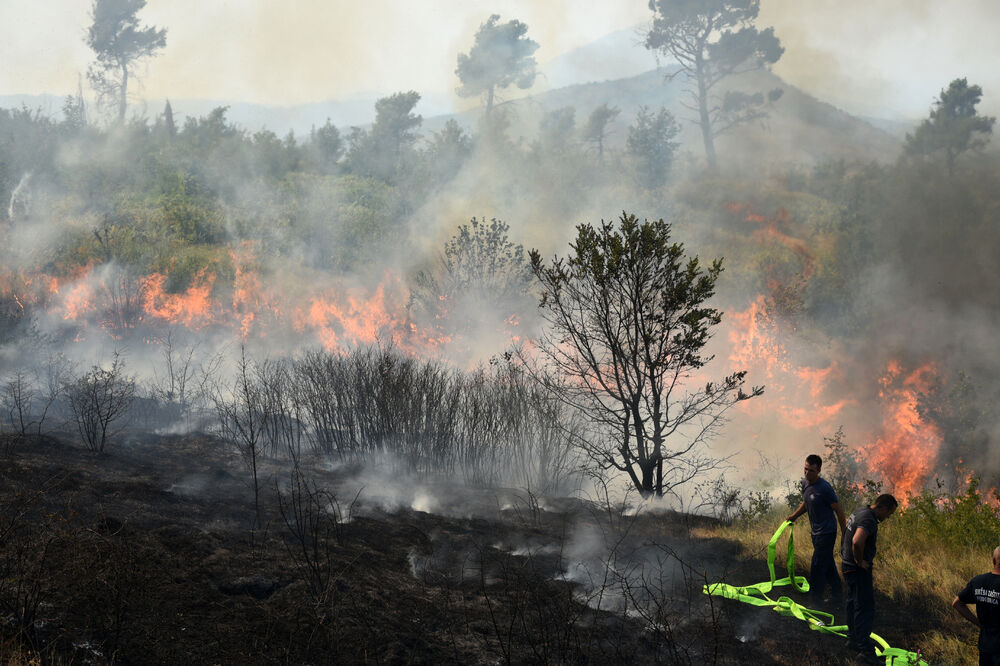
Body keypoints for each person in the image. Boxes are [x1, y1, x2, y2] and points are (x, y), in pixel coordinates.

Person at [841, 493, 898, 664]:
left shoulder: (860, 511)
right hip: (857, 569)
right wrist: (859, 561)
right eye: (889, 514)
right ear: (883, 507)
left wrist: (846, 555)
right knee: (865, 607)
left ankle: (852, 640)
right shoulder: (869, 519)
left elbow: (846, 530)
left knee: (852, 602)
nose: (887, 518)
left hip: (847, 565)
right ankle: (865, 652)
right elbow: (857, 541)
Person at [785, 454, 848, 608]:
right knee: (828, 564)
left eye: (811, 471)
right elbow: (807, 502)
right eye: (805, 469)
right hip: (815, 532)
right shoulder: (805, 483)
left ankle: (816, 602)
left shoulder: (825, 488)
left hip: (827, 533)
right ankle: (838, 596)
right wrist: (794, 516)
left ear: (819, 470)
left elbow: (839, 511)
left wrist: (844, 533)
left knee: (817, 566)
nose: (807, 473)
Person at [953, 545, 1000, 665]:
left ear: (993, 560)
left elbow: (957, 603)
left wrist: (979, 623)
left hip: (985, 646)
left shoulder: (978, 581)